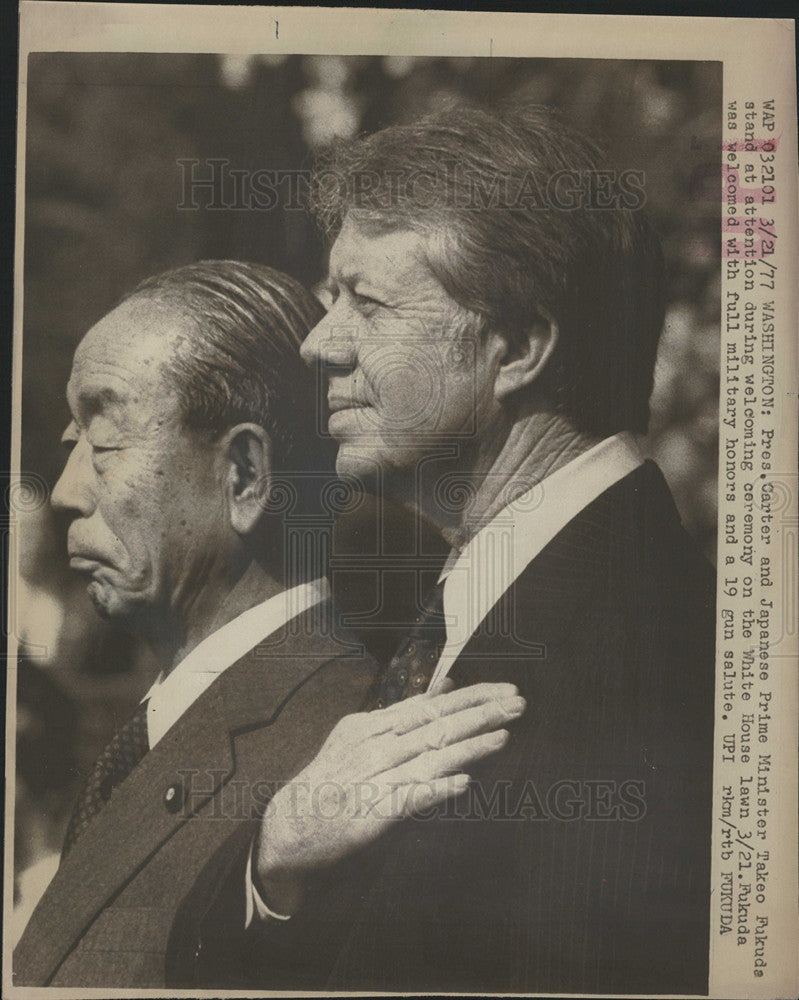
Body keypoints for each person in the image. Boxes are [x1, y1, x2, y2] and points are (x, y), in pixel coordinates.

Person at [173, 105, 716, 994]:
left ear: (521, 349)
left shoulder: (638, 661)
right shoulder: (517, 600)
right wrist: (276, 862)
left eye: (369, 303)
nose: (319, 343)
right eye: (328, 297)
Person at [13, 260, 521, 988]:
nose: (66, 493)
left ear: (244, 475)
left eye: (103, 444)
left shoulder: (332, 756)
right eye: (71, 446)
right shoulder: (180, 721)